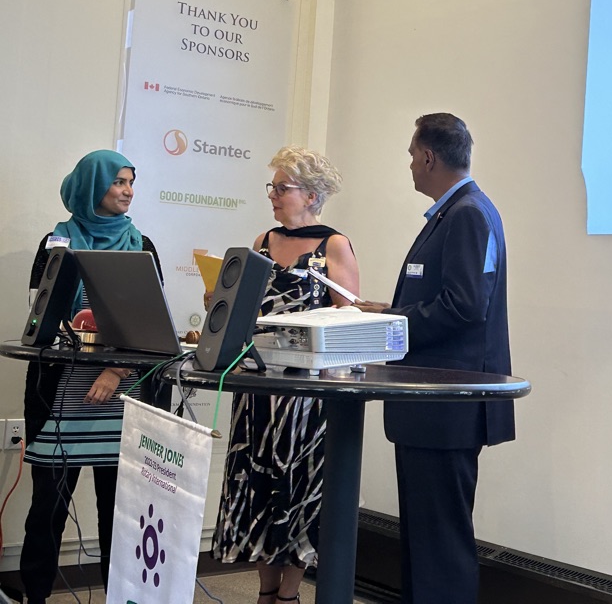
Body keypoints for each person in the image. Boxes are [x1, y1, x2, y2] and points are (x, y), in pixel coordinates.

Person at [355, 113, 514, 604]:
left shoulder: (467, 213)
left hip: (445, 408)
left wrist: (391, 322)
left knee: (440, 545)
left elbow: (464, 307)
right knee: (426, 542)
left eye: (411, 155)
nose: (409, 164)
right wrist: (390, 311)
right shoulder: (458, 212)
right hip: (433, 410)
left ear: (428, 157)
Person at [211, 146, 359, 604]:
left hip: (305, 396)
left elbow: (349, 319)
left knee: (298, 490)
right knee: (256, 487)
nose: (272, 195)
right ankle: (265, 591)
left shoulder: (334, 245)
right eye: (272, 187)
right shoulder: (262, 241)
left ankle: (289, 595)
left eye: (282, 188)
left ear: (312, 195)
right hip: (257, 388)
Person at [21, 150, 162, 604]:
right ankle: (35, 596)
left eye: (131, 182)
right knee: (46, 509)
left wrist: (114, 371)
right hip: (60, 393)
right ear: (91, 186)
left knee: (120, 514)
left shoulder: (142, 245)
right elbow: (40, 311)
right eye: (118, 182)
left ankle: (118, 597)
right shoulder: (56, 242)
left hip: (123, 397)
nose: (128, 191)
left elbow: (151, 324)